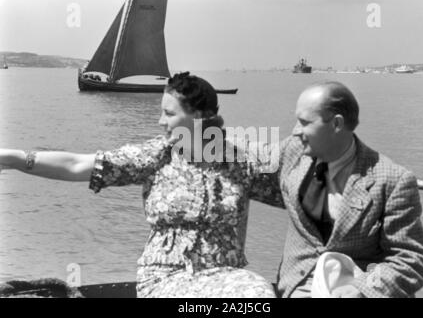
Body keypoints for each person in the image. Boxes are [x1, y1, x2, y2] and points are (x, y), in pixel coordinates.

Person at [0, 72, 280, 298]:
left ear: (197, 117)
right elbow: (77, 165)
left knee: (257, 297)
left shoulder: (240, 163)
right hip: (166, 278)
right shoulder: (157, 156)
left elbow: (299, 192)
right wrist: (14, 158)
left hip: (225, 278)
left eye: (169, 114)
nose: (160, 122)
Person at [251, 81, 423, 298]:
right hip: (295, 289)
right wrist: (204, 134)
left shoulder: (392, 181)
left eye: (304, 122)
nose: (295, 131)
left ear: (336, 124)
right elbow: (244, 155)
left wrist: (362, 290)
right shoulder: (292, 150)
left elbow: (411, 259)